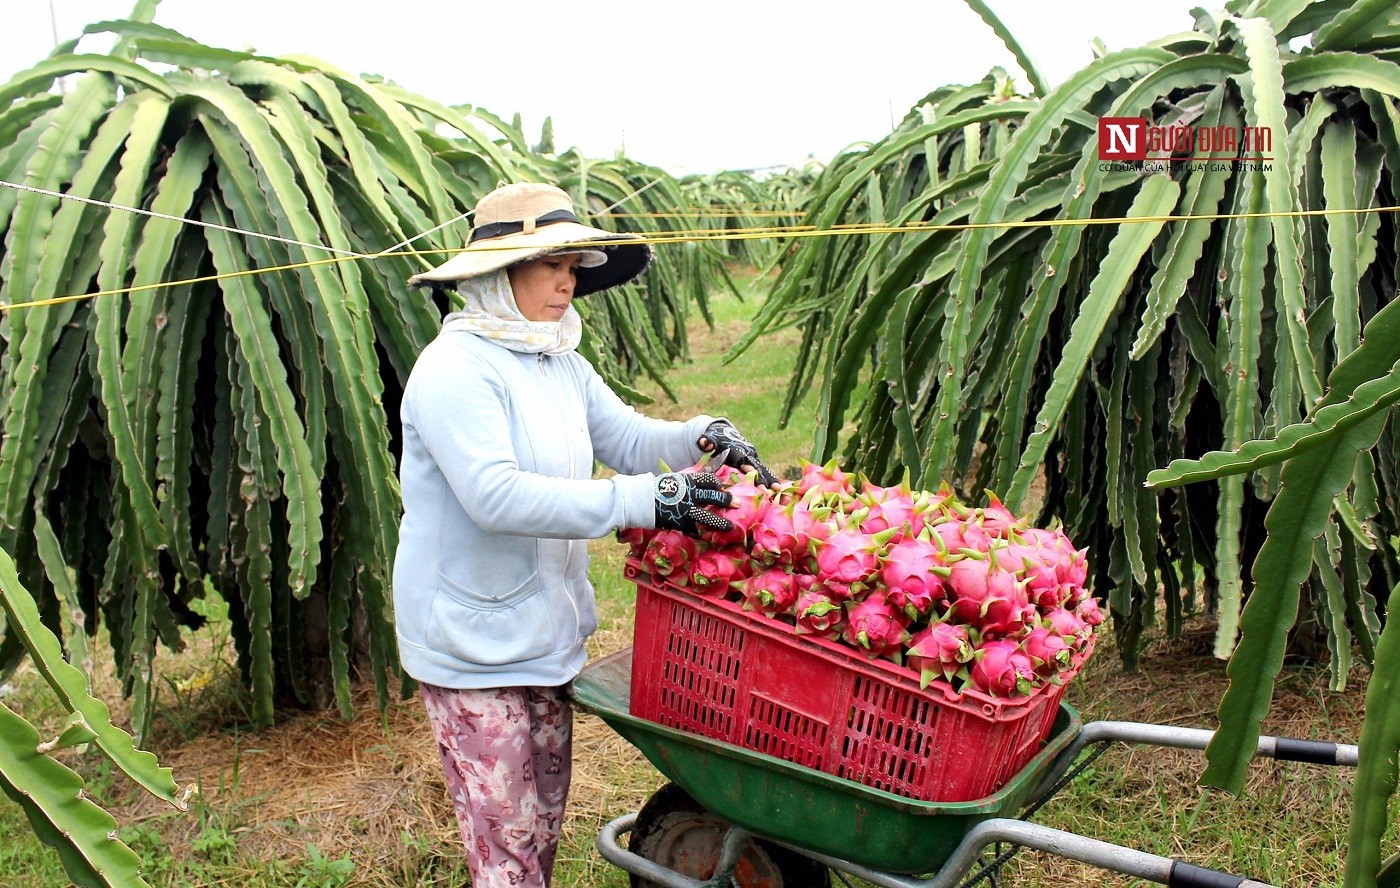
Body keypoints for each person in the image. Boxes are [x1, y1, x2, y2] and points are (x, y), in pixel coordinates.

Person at [392, 181, 777, 888]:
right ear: (496, 274)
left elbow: (627, 437)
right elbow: (494, 495)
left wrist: (702, 435)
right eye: (551, 265)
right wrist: (653, 500)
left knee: (538, 822)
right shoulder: (455, 370)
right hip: (471, 641)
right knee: (505, 842)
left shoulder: (557, 360)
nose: (569, 281)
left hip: (544, 634)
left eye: (573, 266)